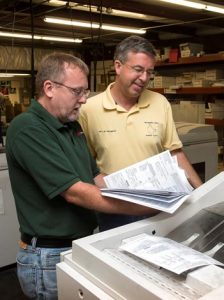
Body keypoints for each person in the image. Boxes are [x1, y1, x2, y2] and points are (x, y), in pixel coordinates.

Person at [5, 52, 155, 300]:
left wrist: (142, 189)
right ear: (49, 88)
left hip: (80, 244)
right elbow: (75, 192)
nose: (84, 100)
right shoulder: (28, 128)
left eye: (86, 92)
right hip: (48, 256)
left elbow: (94, 177)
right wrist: (143, 206)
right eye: (78, 92)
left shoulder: (71, 125)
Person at [79, 35, 202, 231]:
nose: (144, 78)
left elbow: (175, 153)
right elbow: (84, 165)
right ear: (118, 66)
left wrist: (202, 194)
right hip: (115, 210)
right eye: (138, 69)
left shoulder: (160, 103)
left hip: (158, 206)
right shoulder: (88, 110)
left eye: (149, 72)